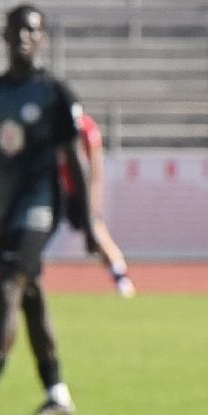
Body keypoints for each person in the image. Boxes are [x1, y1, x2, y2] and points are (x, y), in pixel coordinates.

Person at [0, 4, 93, 415]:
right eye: (17, 29)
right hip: (4, 206)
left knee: (8, 286)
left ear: (43, 38)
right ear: (4, 35)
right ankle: (58, 393)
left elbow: (74, 157)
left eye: (32, 30)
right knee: (31, 296)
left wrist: (86, 218)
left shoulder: (55, 93)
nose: (23, 36)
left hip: (41, 205)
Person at [60, 111, 136, 297]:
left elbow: (95, 168)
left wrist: (93, 199)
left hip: (79, 191)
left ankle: (120, 276)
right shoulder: (54, 124)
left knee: (96, 232)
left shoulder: (86, 128)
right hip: (57, 190)